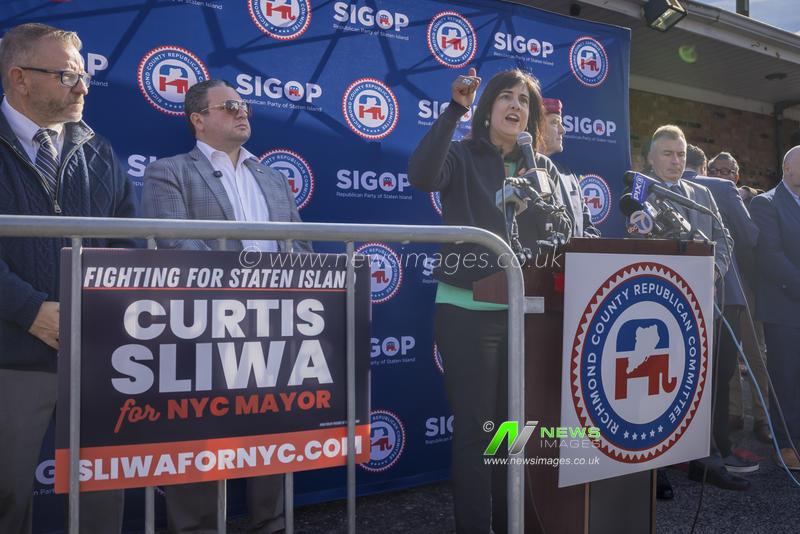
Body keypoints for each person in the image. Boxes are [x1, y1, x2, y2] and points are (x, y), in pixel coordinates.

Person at [142, 79, 310, 533]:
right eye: (229, 105)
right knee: (199, 437)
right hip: (203, 326)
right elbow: (172, 243)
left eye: (244, 105)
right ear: (198, 119)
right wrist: (243, 290)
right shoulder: (168, 172)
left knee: (273, 437)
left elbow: (299, 245)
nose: (242, 112)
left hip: (276, 325)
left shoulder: (273, 177)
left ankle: (273, 524)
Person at [408, 67, 572, 534]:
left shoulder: (541, 170)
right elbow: (422, 175)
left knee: (511, 433)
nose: (516, 105)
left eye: (524, 100)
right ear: (487, 109)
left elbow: (559, 237)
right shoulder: (462, 154)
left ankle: (511, 523)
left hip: (526, 318)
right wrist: (453, 110)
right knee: (477, 432)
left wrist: (545, 204)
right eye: (506, 96)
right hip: (468, 312)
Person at [0, 22, 136, 533]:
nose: (82, 88)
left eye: (84, 76)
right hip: (10, 356)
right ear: (19, 78)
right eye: (67, 76)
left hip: (95, 356)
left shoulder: (98, 149)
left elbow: (127, 241)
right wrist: (30, 310)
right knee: (7, 494)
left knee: (103, 491)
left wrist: (99, 312)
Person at [640, 127, 749, 493]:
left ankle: (705, 461)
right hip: (659, 310)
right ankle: (654, 467)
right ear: (650, 158)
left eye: (681, 154)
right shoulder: (640, 193)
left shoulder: (702, 194)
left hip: (703, 306)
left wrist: (713, 271)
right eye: (667, 154)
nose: (676, 161)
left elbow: (724, 238)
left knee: (704, 385)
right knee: (657, 388)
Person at [683, 145, 763, 471]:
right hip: (724, 291)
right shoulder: (722, 189)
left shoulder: (650, 185)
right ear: (704, 167)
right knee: (721, 372)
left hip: (673, 293)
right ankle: (720, 447)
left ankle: (687, 447)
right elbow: (750, 236)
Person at [749, 145, 800, 472]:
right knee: (786, 381)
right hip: (785, 309)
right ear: (786, 168)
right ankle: (786, 445)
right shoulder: (765, 204)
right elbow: (770, 256)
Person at [538, 97, 600, 237]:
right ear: (536, 127)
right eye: (555, 122)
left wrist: (585, 245)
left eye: (561, 123)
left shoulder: (569, 176)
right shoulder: (521, 171)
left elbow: (588, 227)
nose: (563, 130)